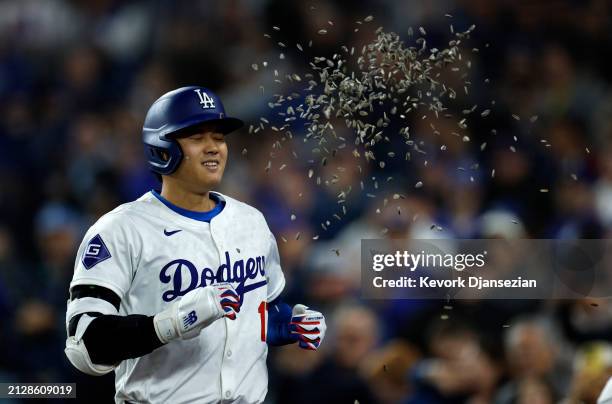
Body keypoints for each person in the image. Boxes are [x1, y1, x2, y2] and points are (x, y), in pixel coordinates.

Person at [64, 86, 327, 403]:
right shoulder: (121, 229)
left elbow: (256, 313)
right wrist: (170, 324)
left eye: (218, 137)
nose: (213, 147)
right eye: (197, 137)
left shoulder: (251, 222)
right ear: (162, 148)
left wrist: (287, 324)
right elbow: (84, 345)